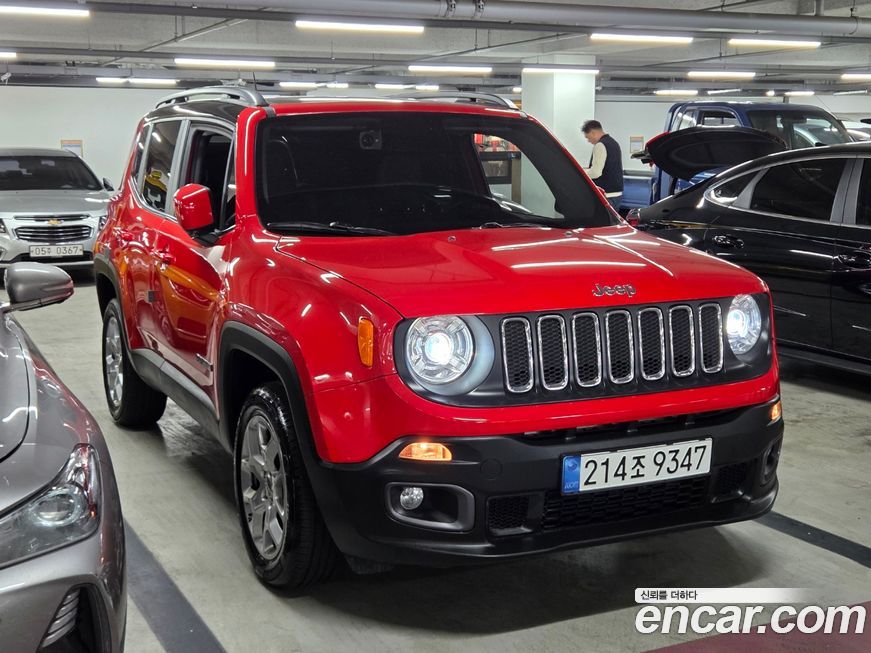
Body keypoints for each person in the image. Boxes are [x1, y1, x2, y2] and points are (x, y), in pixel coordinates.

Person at [581, 119, 623, 213]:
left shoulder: (600, 145)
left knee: (600, 221)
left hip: (606, 195)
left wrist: (580, 172)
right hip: (616, 194)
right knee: (611, 221)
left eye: (588, 137)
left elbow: (596, 172)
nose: (589, 141)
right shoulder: (614, 143)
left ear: (593, 133)